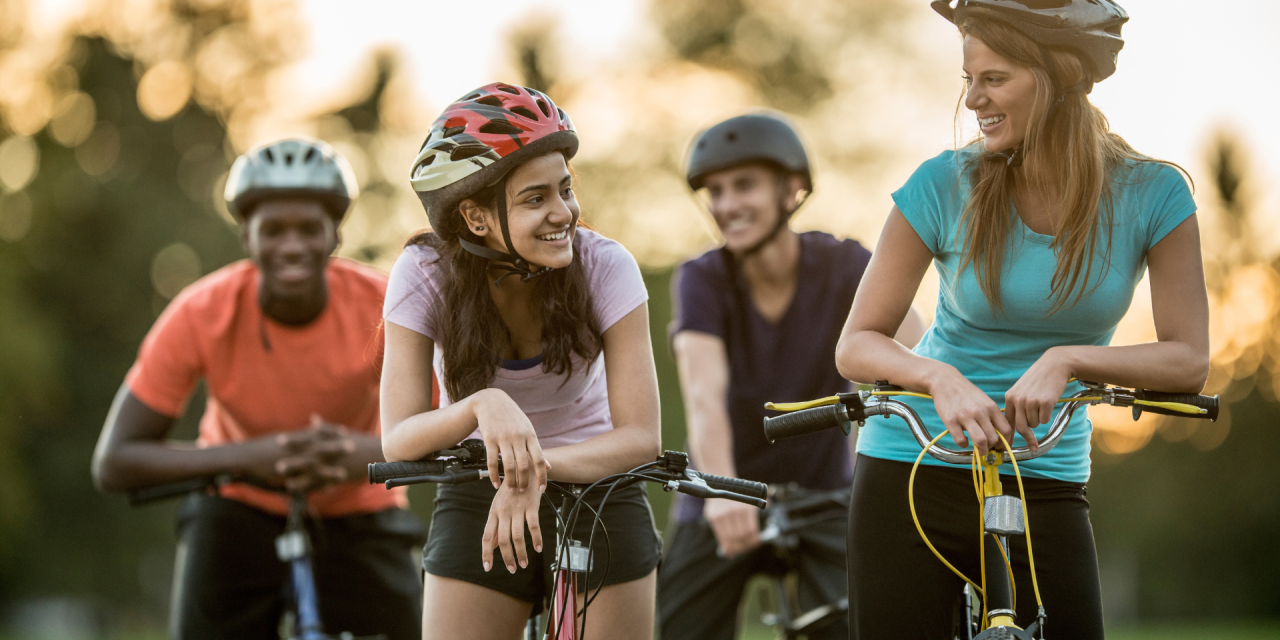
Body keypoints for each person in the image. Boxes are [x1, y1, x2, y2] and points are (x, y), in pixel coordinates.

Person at [835, 1, 1209, 637]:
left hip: (1045, 472)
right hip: (913, 465)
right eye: (969, 80)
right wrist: (937, 378)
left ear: (1057, 77)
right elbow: (857, 345)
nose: (975, 99)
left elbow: (1188, 360)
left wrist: (1068, 358)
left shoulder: (1154, 195)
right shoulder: (941, 183)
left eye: (995, 78)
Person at [91, 138, 426, 640]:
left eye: (309, 229)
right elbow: (115, 461)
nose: (292, 245)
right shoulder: (200, 312)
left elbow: (453, 431)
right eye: (273, 230)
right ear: (246, 235)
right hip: (236, 508)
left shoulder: (386, 306)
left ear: (335, 233)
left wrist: (359, 455)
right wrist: (248, 457)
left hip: (360, 507)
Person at [380, 83, 662, 640]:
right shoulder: (423, 273)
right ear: (477, 218)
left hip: (597, 480)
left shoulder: (607, 266)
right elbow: (399, 438)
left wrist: (532, 469)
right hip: (477, 480)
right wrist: (483, 406)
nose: (564, 214)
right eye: (535, 200)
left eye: (565, 189)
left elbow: (640, 437)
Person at [658, 111, 926, 640]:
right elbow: (703, 396)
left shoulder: (846, 266)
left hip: (825, 494)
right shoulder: (703, 279)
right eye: (714, 191)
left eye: (744, 185)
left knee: (863, 625)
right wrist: (720, 493)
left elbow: (919, 359)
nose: (727, 204)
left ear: (793, 189)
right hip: (720, 493)